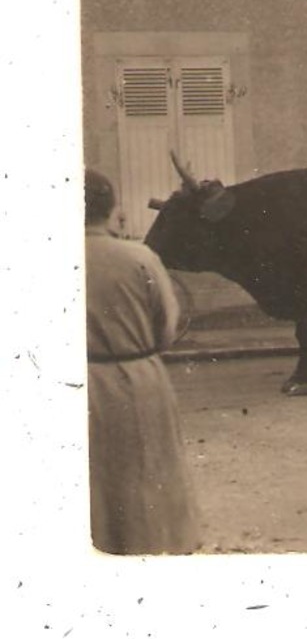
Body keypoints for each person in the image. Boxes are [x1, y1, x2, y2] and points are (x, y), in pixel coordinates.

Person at [84, 168, 201, 555]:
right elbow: (167, 328)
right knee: (145, 473)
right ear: (111, 208)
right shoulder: (139, 257)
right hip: (137, 376)